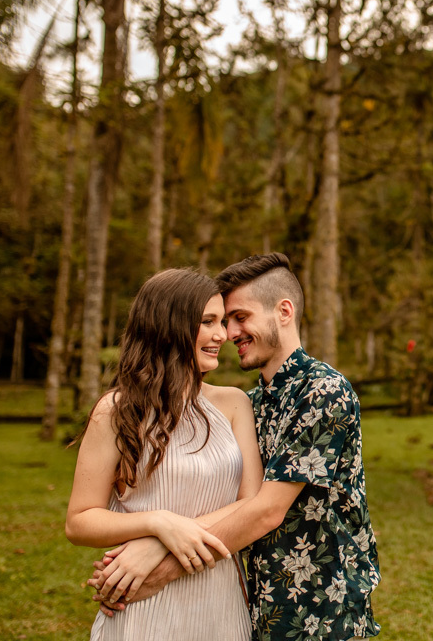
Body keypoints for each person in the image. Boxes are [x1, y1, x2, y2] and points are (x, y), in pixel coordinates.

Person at [91, 252, 380, 641]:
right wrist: (161, 532)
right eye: (224, 321)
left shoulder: (322, 391)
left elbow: (265, 510)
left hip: (319, 609)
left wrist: (159, 561)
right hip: (257, 604)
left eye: (240, 317)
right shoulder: (253, 402)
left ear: (284, 311)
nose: (229, 333)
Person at [66, 268, 263, 640]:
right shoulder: (116, 411)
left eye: (222, 322)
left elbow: (250, 503)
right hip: (142, 605)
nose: (222, 335)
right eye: (208, 322)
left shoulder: (235, 403)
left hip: (217, 595)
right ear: (169, 326)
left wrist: (160, 543)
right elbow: (79, 522)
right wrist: (158, 523)